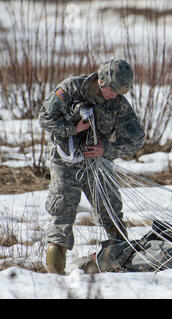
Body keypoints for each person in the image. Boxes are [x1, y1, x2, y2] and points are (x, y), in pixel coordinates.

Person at [39, 59, 145, 275]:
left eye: (120, 91)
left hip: (97, 164)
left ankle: (118, 264)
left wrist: (105, 149)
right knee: (62, 218)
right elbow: (45, 118)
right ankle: (54, 281)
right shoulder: (70, 89)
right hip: (65, 162)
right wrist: (73, 128)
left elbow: (136, 139)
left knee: (113, 214)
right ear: (102, 81)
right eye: (113, 90)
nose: (115, 95)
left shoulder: (119, 103)